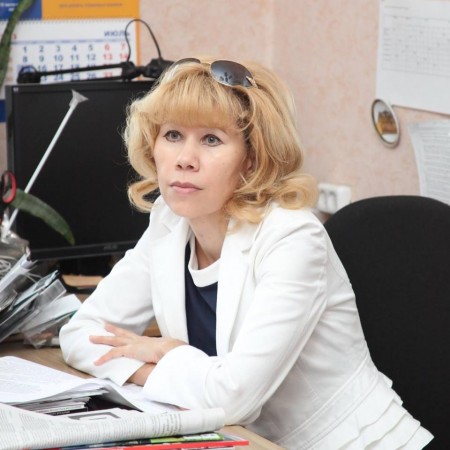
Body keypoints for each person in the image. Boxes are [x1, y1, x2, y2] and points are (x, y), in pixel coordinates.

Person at [59, 57, 433, 449]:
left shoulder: (293, 237)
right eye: (172, 135)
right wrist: (155, 366)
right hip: (247, 441)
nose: (185, 158)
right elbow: (79, 334)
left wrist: (168, 353)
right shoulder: (170, 222)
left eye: (211, 140)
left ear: (252, 159)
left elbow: (233, 398)